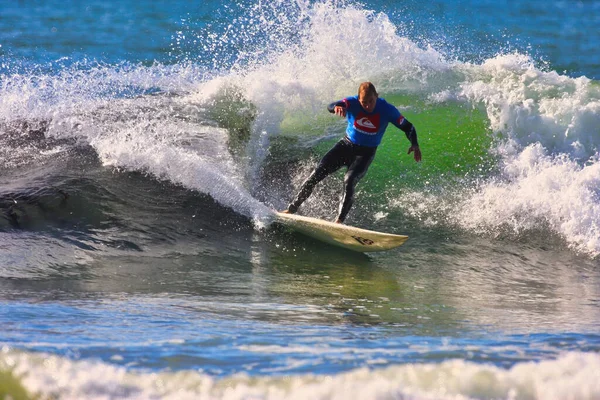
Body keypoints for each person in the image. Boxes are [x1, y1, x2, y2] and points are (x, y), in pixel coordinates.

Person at [281, 82, 421, 223]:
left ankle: (339, 221)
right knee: (317, 173)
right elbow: (332, 106)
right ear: (358, 99)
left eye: (371, 101)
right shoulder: (352, 102)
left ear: (377, 97)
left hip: (365, 153)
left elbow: (408, 127)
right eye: (363, 102)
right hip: (345, 146)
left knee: (349, 180)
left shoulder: (387, 109)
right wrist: (337, 107)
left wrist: (414, 144)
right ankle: (291, 209)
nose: (367, 106)